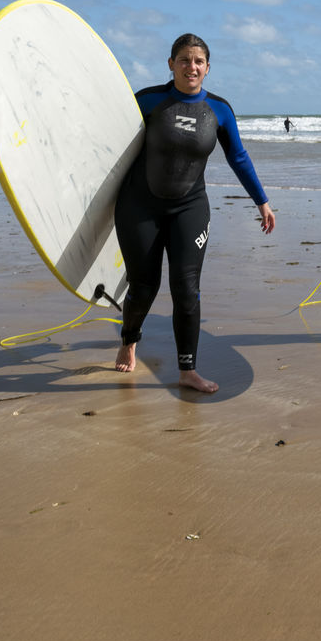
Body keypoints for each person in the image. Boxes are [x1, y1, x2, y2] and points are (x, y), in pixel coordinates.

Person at [113, 33, 275, 393]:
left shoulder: (219, 110)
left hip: (190, 206)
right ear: (171, 64)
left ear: (208, 68)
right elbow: (110, 147)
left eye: (198, 61)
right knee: (144, 286)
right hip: (139, 205)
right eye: (184, 60)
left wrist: (261, 201)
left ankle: (188, 370)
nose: (192, 66)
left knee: (187, 289)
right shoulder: (148, 100)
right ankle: (129, 339)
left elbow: (238, 157)